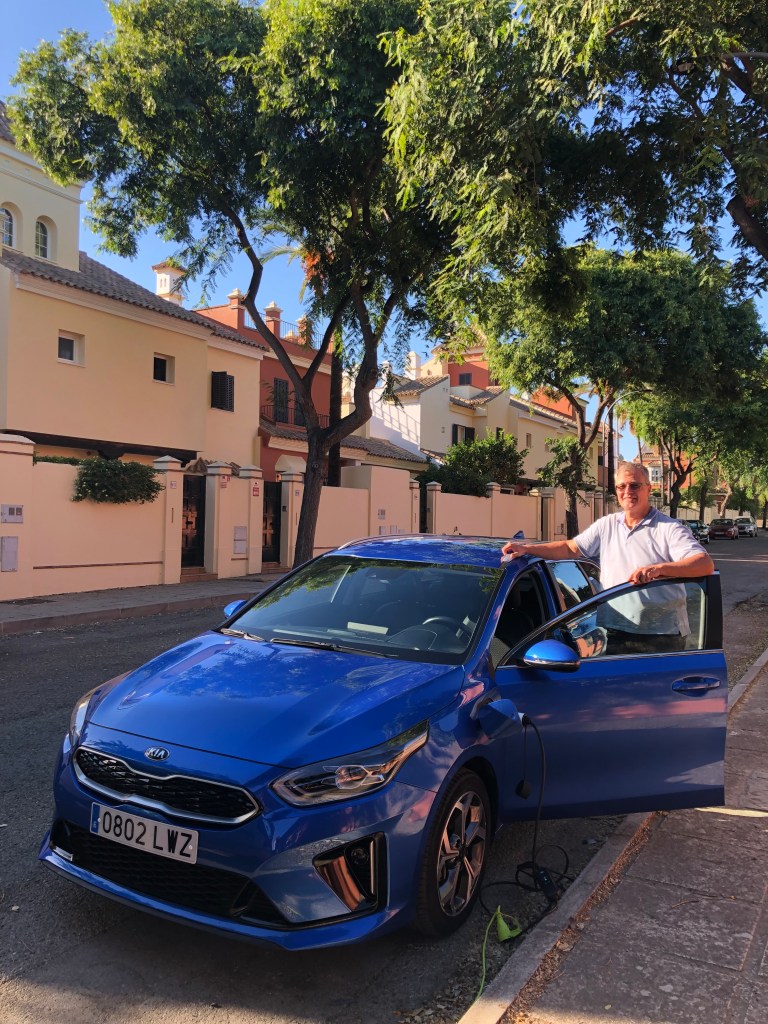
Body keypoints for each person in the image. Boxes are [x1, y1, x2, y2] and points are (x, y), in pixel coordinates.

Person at [501, 462, 715, 653]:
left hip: (661, 635)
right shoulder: (607, 525)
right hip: (616, 629)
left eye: (634, 485)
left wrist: (659, 569)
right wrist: (527, 549)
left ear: (648, 489)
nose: (627, 491)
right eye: (622, 486)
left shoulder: (669, 528)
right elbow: (570, 548)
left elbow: (704, 564)